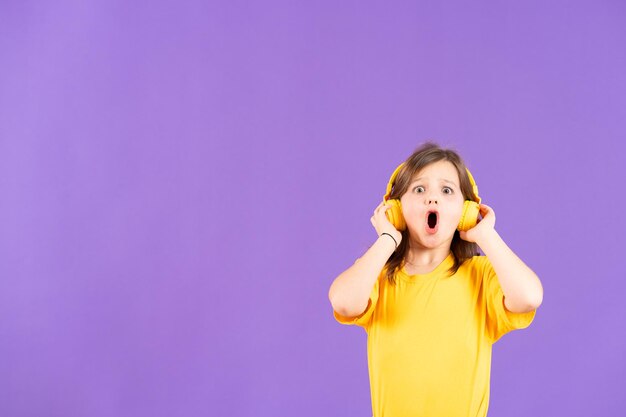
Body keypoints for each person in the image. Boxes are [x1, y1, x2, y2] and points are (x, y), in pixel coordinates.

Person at [328, 141, 543, 417]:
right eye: (419, 189)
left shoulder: (480, 275)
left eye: (446, 190)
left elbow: (529, 297)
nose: (433, 198)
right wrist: (387, 238)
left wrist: (486, 235)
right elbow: (343, 301)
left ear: (465, 212)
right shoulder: (378, 276)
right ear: (396, 209)